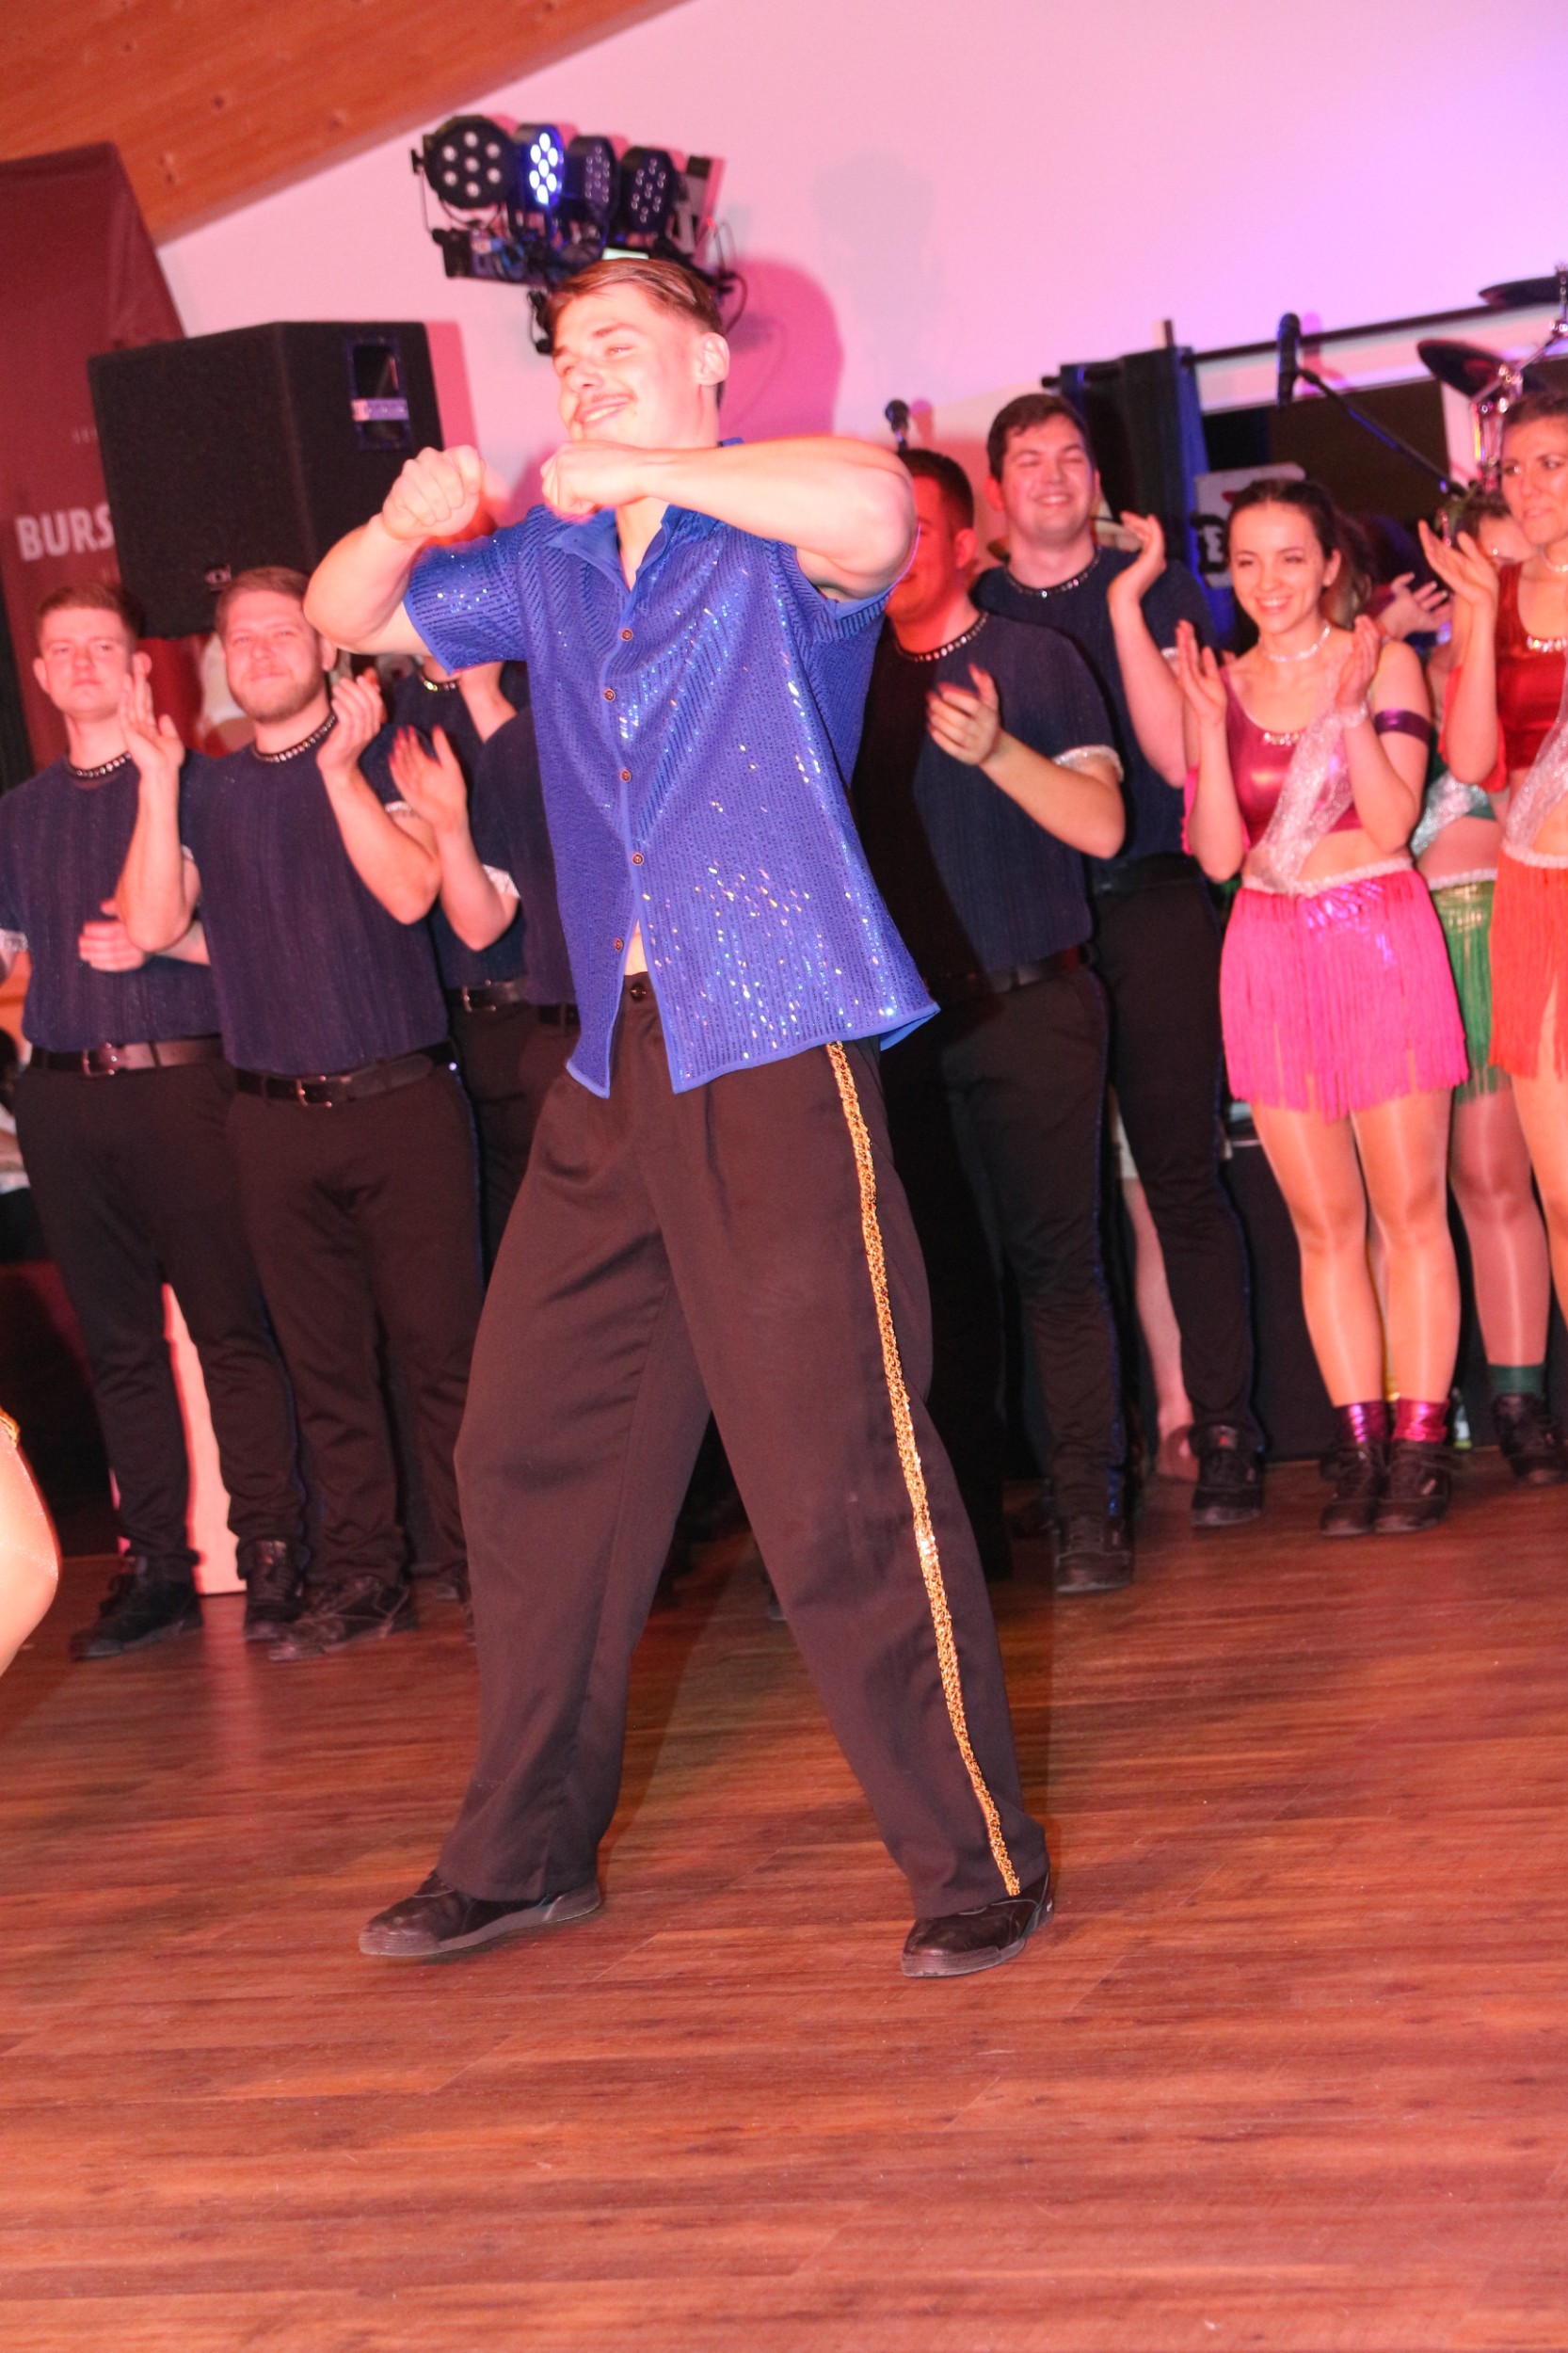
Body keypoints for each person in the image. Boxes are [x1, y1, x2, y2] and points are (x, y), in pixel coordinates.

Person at [305, 254, 1050, 1979]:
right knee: (526, 1448)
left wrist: (648, 472)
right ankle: (523, 1855)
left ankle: (972, 1859)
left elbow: (878, 507)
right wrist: (400, 524)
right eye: (567, 352)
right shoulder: (554, 563)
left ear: (711, 361)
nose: (583, 372)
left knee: (832, 1467)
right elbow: (352, 614)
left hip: (775, 1035)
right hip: (613, 1065)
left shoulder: (767, 533)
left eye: (620, 344)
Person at [117, 568, 483, 1659]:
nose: (263, 650)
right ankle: (364, 1577)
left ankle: (486, 1561)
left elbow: (412, 893)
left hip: (400, 1099)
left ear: (328, 650)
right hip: (272, 1117)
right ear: (221, 659)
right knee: (324, 1367)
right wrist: (155, 784)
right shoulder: (208, 788)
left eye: (284, 631)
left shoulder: (387, 746)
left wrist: (336, 773)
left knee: (445, 1354)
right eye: (243, 637)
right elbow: (151, 923)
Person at [973, 393, 1260, 1527]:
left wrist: (1130, 595)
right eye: (1028, 459)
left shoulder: (1159, 587)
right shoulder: (978, 609)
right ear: (996, 487)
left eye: (1071, 457)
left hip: (1152, 903)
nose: (1053, 475)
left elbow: (1184, 759)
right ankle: (1085, 1458)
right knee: (1059, 1209)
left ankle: (1220, 1427)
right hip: (1032, 932)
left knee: (1178, 1179)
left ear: (1096, 477)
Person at [1, 583, 301, 1655]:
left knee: (230, 1326)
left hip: (183, 1085)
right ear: (41, 676)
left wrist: (167, 938)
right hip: (61, 1095)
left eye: (104, 646)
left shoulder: (206, 784)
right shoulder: (20, 813)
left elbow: (272, 941)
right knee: (118, 1343)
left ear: (139, 666)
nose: (83, 663)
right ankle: (158, 1568)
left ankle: (273, 1551)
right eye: (63, 649)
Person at [851, 448, 1130, 1593]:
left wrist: (997, 748)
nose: (896, 551)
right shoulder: (844, 678)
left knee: (1056, 1266)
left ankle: (1085, 1510)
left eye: (918, 528)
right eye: (881, 530)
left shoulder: (1035, 657)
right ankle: (964, 1530)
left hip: (1034, 1005)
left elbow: (1104, 825)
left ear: (966, 543)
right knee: (935, 1287)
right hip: (906, 1032)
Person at [1174, 479, 1465, 1536]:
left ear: (1330, 563)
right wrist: (1206, 726)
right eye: (1248, 561)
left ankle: (1421, 1443)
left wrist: (1346, 714)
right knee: (1323, 1224)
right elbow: (1217, 856)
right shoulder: (1221, 682)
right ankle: (1359, 1445)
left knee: (1407, 1210)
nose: (1269, 582)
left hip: (1378, 936)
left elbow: (1390, 823)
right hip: (1268, 953)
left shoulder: (1380, 662)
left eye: (1290, 558)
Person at [1412, 490, 1562, 1481]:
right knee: (1481, 1179)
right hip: (1444, 933)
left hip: (1517, 914)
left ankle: (1522, 1402)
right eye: (1489, 565)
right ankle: (1503, 1401)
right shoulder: (1430, 664)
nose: (1506, 583)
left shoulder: (1531, 661)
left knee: (1514, 1178)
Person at [360, 655, 574, 1266]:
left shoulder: (536, 682)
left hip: (551, 1014)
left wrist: (484, 696)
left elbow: (565, 825)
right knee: (499, 1253)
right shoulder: (390, 711)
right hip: (453, 1035)